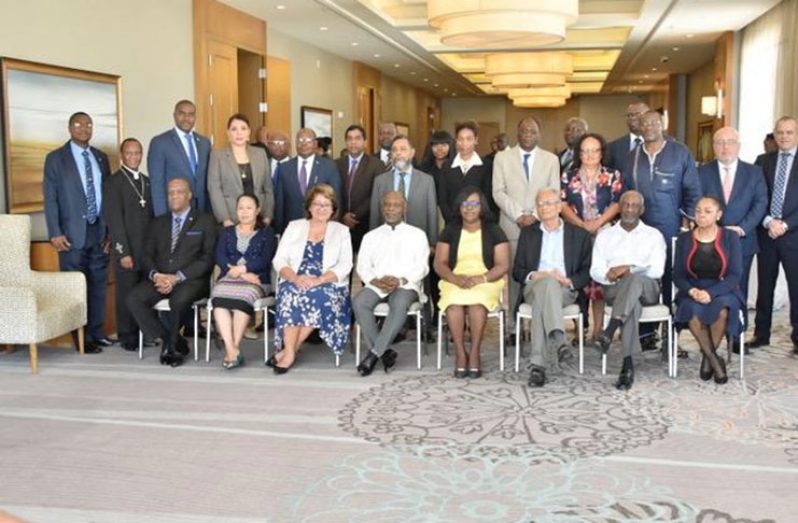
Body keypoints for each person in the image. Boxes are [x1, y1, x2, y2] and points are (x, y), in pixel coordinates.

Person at [624, 110, 701, 353]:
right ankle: (646, 333)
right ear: (639, 127)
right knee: (643, 277)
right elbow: (625, 193)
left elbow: (693, 190)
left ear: (662, 125)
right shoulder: (631, 157)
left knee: (670, 281)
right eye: (644, 123)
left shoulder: (680, 153)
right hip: (640, 231)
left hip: (671, 228)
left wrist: (687, 222)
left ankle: (671, 336)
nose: (649, 127)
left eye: (654, 123)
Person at [126, 178, 217, 367]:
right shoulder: (158, 222)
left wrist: (177, 277)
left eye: (179, 191)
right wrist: (156, 275)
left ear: (189, 195)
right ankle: (171, 339)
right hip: (159, 278)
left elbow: (207, 259)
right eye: (171, 192)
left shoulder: (205, 220)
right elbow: (146, 256)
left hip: (191, 281)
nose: (174, 196)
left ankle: (173, 348)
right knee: (134, 298)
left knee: (178, 300)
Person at [43, 111, 112, 352]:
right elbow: (50, 199)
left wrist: (110, 232)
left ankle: (97, 332)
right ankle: (81, 339)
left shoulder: (101, 158)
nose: (84, 128)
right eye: (79, 124)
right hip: (70, 235)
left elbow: (109, 197)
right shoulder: (55, 159)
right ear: (70, 128)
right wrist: (55, 232)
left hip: (98, 231)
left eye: (89, 125)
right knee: (75, 288)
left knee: (98, 284)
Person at [697, 127, 767, 352]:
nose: (725, 147)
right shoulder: (702, 172)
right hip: (709, 242)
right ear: (713, 146)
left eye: (730, 142)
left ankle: (736, 336)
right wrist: (713, 228)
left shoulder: (754, 172)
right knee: (711, 285)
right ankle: (710, 333)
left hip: (742, 241)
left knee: (740, 288)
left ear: (738, 146)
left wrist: (742, 228)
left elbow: (760, 204)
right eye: (719, 142)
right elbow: (696, 203)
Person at [513, 188, 592, 387]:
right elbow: (518, 271)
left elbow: (586, 271)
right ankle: (559, 341)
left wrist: (568, 281)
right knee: (545, 284)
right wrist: (535, 275)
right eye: (540, 204)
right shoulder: (528, 234)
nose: (544, 208)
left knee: (544, 298)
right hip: (534, 286)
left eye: (549, 203)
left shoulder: (579, 235)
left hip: (564, 289)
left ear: (559, 206)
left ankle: (538, 366)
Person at [270, 184, 353, 373]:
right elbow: (279, 259)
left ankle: (288, 352)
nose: (321, 209)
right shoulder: (294, 226)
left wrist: (319, 280)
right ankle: (290, 352)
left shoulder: (341, 231)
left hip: (328, 283)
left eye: (326, 205)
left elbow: (345, 265)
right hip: (295, 277)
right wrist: (295, 278)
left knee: (317, 296)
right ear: (309, 206)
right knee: (292, 294)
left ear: (333, 209)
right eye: (317, 204)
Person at [591, 191, 667, 390]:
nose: (630, 209)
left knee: (633, 279)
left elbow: (658, 269)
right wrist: (608, 274)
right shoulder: (605, 236)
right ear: (619, 207)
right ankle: (627, 365)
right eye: (626, 204)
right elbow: (595, 271)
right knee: (631, 306)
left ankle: (610, 329)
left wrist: (629, 269)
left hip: (648, 288)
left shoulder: (653, 235)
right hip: (615, 289)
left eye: (634, 206)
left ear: (642, 210)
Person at [492, 117, 560, 335]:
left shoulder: (551, 160)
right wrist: (520, 215)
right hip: (512, 226)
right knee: (513, 277)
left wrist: (534, 215)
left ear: (539, 134)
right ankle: (513, 327)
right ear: (517, 133)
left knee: (538, 274)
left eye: (532, 131)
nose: (528, 135)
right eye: (524, 131)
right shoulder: (502, 158)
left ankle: (535, 323)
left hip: (542, 227)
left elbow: (554, 192)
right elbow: (498, 191)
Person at [434, 187, 510, 379]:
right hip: (455, 278)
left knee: (477, 305)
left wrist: (481, 278)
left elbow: (502, 265)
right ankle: (460, 353)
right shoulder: (450, 230)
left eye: (474, 204)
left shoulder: (493, 229)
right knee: (453, 305)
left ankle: (475, 352)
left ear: (481, 207)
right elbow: (440, 263)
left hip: (486, 279)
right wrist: (454, 278)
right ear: (459, 208)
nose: (469, 209)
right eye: (465, 204)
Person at [353, 191, 430, 376]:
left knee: (399, 303)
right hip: (377, 283)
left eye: (396, 205)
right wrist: (375, 280)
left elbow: (422, 266)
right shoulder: (371, 236)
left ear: (404, 208)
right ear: (382, 208)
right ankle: (384, 352)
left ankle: (373, 355)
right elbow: (362, 266)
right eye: (387, 205)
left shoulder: (417, 234)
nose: (391, 209)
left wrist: (400, 280)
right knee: (359, 302)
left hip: (406, 283)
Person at [673, 196, 744, 384]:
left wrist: (711, 293)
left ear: (718, 215)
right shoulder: (684, 239)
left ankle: (707, 357)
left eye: (707, 211)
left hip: (723, 288)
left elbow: (735, 275)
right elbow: (678, 275)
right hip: (693, 289)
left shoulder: (730, 237)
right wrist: (692, 291)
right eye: (698, 211)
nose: (701, 215)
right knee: (693, 313)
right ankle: (714, 358)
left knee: (721, 310)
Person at [560, 133, 623, 341]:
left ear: (601, 152)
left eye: (594, 150)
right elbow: (562, 204)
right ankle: (581, 328)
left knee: (599, 282)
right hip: (577, 234)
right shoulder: (568, 176)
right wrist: (581, 225)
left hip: (605, 235)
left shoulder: (613, 175)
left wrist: (598, 223)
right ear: (579, 153)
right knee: (580, 280)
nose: (589, 155)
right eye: (585, 150)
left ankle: (598, 329)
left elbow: (617, 203)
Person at [211, 194, 276, 369]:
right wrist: (241, 274)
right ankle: (232, 350)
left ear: (257, 210)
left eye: (249, 208)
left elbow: (264, 260)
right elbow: (220, 257)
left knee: (242, 300)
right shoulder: (227, 232)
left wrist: (242, 270)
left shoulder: (267, 233)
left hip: (257, 281)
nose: (244, 212)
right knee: (218, 301)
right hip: (228, 279)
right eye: (241, 208)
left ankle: (233, 349)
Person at [752, 116, 798, 353]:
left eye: (789, 132)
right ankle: (761, 334)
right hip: (767, 233)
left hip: (794, 235)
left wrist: (786, 224)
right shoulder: (763, 161)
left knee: (796, 287)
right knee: (765, 285)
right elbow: (757, 196)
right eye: (780, 132)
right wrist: (769, 221)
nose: (784, 137)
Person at [103, 138, 154, 351]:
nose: (134, 157)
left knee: (143, 293)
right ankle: (127, 335)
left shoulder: (146, 180)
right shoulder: (113, 182)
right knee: (126, 293)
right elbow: (114, 220)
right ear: (122, 155)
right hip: (127, 250)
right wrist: (122, 251)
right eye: (129, 153)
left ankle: (145, 333)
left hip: (146, 250)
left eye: (137, 152)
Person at [370, 135, 439, 248]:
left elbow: (432, 214)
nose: (398, 153)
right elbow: (375, 214)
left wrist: (433, 243)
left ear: (412, 153)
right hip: (387, 242)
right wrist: (373, 241)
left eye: (403, 149)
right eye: (394, 150)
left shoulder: (427, 180)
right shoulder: (380, 181)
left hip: (417, 242)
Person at [207, 113, 274, 227]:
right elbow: (214, 189)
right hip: (231, 219)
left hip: (258, 217)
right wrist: (225, 219)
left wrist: (267, 215)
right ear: (228, 133)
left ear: (249, 132)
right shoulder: (217, 156)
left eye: (243, 128)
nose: (239, 133)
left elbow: (268, 187)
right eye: (234, 129)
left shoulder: (260, 153)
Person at [148, 100, 212, 216]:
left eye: (191, 114)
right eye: (182, 113)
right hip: (173, 211)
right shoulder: (160, 142)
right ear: (174, 116)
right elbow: (157, 184)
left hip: (201, 212)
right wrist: (162, 218)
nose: (186, 118)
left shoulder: (204, 143)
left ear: (195, 117)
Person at [274, 128, 341, 233]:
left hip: (322, 227)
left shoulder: (329, 166)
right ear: (295, 143)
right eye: (300, 140)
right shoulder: (284, 168)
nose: (303, 144)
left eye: (308, 141)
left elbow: (336, 199)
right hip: (292, 228)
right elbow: (280, 202)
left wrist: (333, 227)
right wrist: (278, 231)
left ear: (315, 143)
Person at [335, 124, 385, 253]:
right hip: (340, 224)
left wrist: (355, 216)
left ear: (365, 142)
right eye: (349, 139)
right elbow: (333, 193)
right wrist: (342, 215)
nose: (353, 142)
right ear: (346, 142)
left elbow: (376, 194)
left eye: (357, 138)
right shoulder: (336, 164)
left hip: (366, 224)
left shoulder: (377, 165)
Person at [438, 121, 496, 225]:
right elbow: (443, 200)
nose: (464, 143)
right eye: (460, 139)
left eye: (469, 139)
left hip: (479, 225)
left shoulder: (486, 166)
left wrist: (475, 221)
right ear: (456, 141)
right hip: (452, 224)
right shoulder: (447, 166)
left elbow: (488, 199)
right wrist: (453, 221)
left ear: (476, 140)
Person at [606, 100, 648, 176]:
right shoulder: (613, 147)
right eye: (629, 115)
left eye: (638, 114)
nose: (633, 118)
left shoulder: (661, 143)